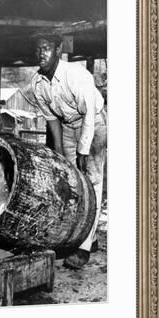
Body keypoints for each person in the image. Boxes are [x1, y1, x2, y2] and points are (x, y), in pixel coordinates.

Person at [30, 32, 107, 269]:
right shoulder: (37, 83)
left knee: (91, 181)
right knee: (74, 182)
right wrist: (61, 155)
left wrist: (84, 150)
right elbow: (53, 121)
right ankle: (88, 236)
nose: (41, 53)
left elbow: (88, 115)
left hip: (94, 123)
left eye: (47, 48)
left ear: (58, 49)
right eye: (38, 49)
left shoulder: (75, 75)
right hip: (67, 126)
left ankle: (83, 249)